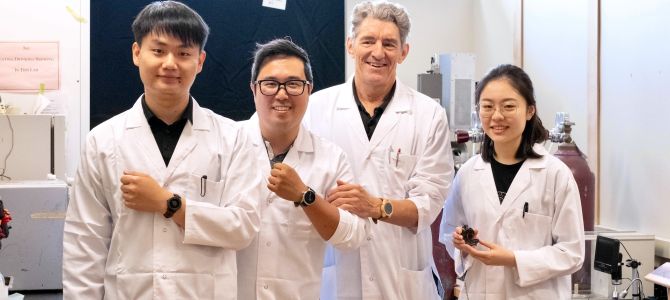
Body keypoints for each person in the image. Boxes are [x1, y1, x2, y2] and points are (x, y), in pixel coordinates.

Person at [62, 2, 261, 299]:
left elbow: (242, 227)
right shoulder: (103, 142)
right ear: (136, 53)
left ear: (200, 61)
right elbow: (85, 244)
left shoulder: (233, 139)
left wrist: (169, 204)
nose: (170, 63)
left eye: (183, 53)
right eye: (158, 50)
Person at [304, 1, 454, 299]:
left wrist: (375, 206)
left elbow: (429, 204)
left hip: (400, 277)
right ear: (350, 45)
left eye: (389, 43)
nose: (378, 52)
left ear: (403, 52)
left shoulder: (429, 115)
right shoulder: (315, 109)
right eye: (368, 41)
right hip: (335, 270)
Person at [236, 38, 370, 300]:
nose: (282, 94)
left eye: (294, 84)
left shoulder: (331, 159)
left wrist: (306, 197)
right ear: (253, 89)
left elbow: (354, 236)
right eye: (271, 83)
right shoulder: (226, 145)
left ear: (309, 89)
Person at [439, 64, 585, 299]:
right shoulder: (468, 173)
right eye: (487, 107)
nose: (496, 116)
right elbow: (448, 232)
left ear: (529, 111)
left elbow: (572, 253)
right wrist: (460, 241)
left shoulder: (555, 174)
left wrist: (514, 260)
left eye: (508, 106)